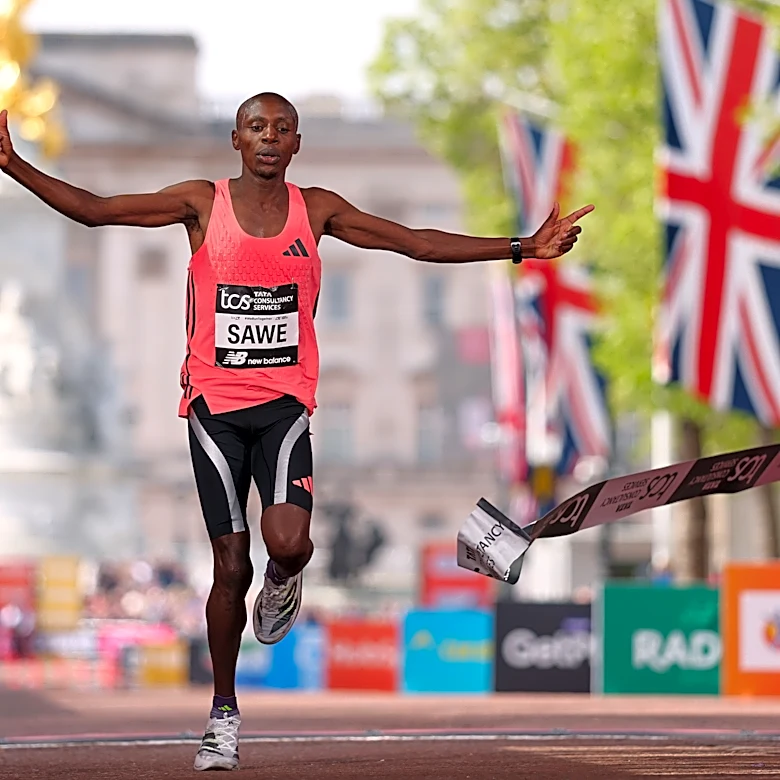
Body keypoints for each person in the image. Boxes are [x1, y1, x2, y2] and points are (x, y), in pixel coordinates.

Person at [0, 94, 593, 771]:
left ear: (297, 143)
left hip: (284, 408)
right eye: (257, 127)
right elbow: (98, 210)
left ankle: (284, 578)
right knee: (229, 564)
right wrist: (14, 164)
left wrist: (521, 247)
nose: (269, 138)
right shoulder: (201, 203)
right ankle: (223, 714)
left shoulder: (318, 211)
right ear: (236, 138)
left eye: (282, 129)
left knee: (290, 543)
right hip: (212, 412)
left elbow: (414, 242)